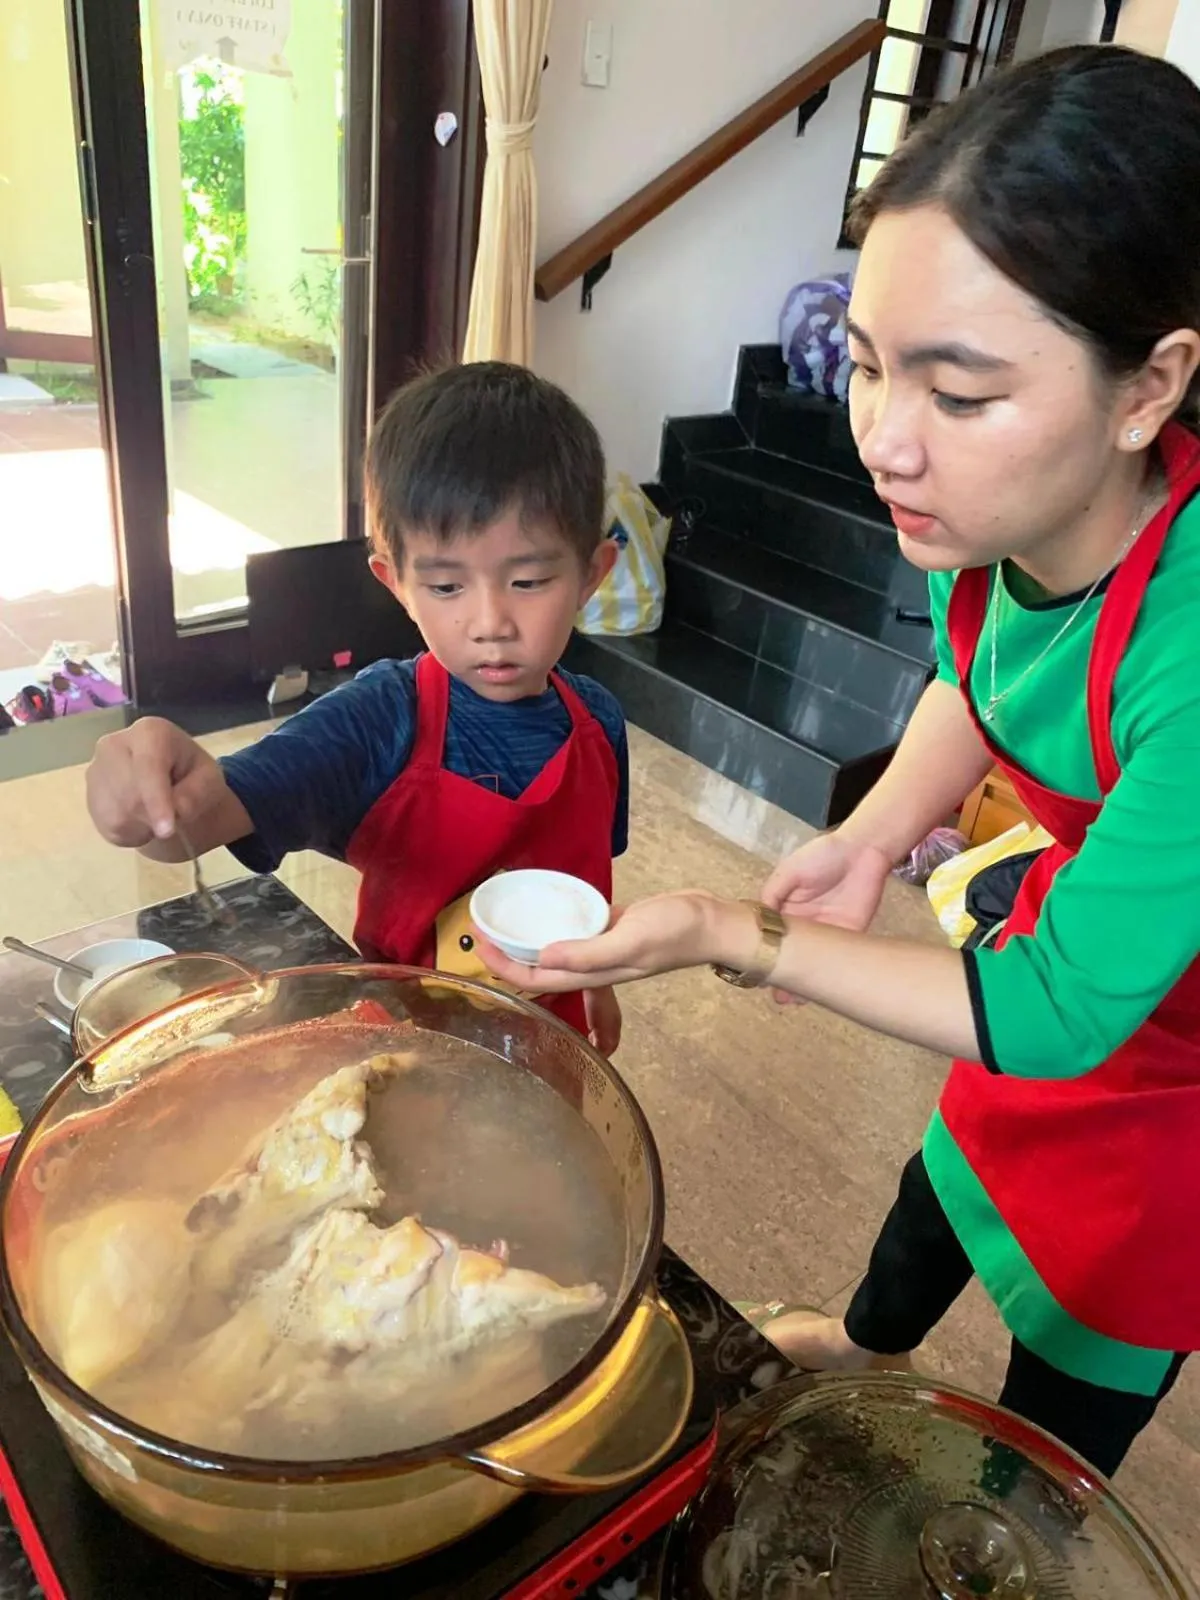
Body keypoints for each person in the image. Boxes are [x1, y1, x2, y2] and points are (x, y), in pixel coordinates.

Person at [480, 44, 1200, 1477]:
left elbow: (1056, 1014)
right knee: (952, 1174)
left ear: (1151, 386)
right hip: (1069, 963)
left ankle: (1024, 1504)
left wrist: (730, 933)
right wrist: (877, 835)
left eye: (960, 392)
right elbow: (973, 681)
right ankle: (872, 1345)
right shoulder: (989, 528)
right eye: (869, 366)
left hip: (1167, 1070)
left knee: (1089, 1336)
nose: (885, 440)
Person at [86, 362, 627, 1053]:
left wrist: (599, 985)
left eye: (527, 580)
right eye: (445, 586)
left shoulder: (600, 723)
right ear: (395, 582)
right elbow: (198, 818)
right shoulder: (380, 718)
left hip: (553, 1037)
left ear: (590, 575)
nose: (490, 621)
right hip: (403, 1046)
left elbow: (583, 893)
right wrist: (151, 802)